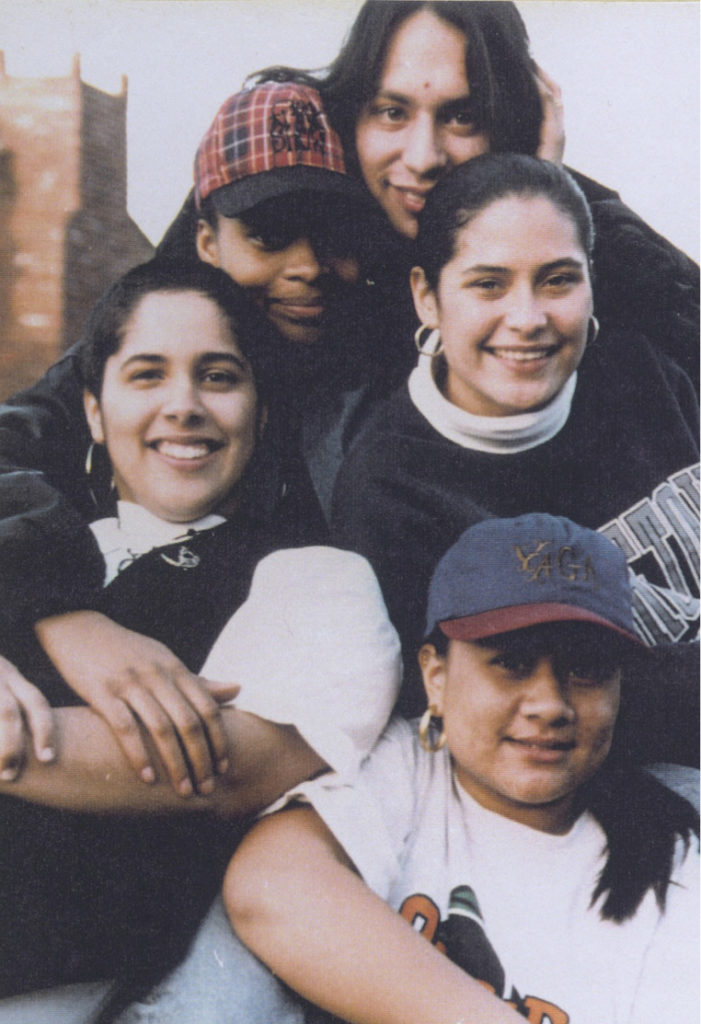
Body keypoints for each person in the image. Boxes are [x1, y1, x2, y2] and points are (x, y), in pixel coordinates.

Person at [0, 258, 401, 1008]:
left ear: (261, 408)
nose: (183, 405)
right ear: (94, 411)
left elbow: (226, 770)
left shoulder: (315, 579)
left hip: (78, 983)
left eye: (218, 377)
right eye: (146, 375)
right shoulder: (34, 540)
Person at [0, 79, 395, 789]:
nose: (307, 267)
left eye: (333, 237)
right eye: (269, 236)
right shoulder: (143, 337)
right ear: (208, 242)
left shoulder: (390, 375)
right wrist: (62, 616)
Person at [225, 514, 699, 1024]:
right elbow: (270, 886)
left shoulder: (674, 864)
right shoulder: (407, 769)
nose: (549, 704)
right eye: (511, 663)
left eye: (586, 670)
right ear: (436, 676)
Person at [331, 154, 699, 761]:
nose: (527, 319)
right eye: (488, 284)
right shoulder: (389, 490)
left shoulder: (640, 371)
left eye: (558, 280)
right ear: (427, 296)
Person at [253, 0, 698, 386]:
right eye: (392, 112)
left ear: (513, 121)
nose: (422, 158)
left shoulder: (605, 238)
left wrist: (537, 207)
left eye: (461, 117)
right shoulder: (311, 208)